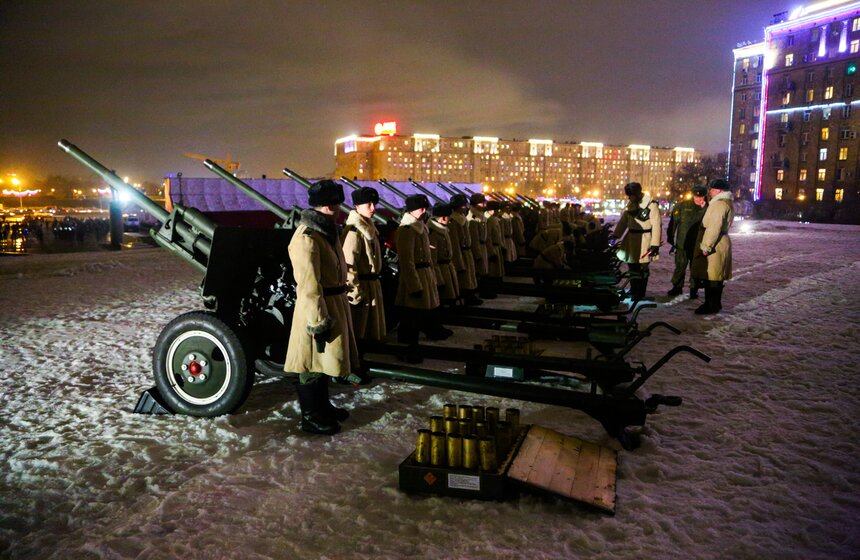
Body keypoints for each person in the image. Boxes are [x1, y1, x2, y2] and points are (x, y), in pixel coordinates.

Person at [285, 179, 360, 435]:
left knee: (325, 362)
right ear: (328, 205)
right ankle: (311, 416)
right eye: (336, 203)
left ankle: (323, 407)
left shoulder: (326, 232)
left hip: (333, 302)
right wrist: (318, 320)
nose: (339, 208)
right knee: (310, 365)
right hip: (317, 307)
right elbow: (308, 285)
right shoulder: (307, 238)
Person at [395, 194, 448, 353]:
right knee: (411, 314)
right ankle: (409, 346)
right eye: (420, 208)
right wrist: (414, 285)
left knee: (422, 311)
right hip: (416, 275)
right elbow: (407, 260)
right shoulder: (406, 230)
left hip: (425, 273)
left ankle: (420, 336)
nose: (424, 211)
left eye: (425, 208)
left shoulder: (420, 227)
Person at [341, 186, 386, 341]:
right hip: (363, 288)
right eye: (369, 205)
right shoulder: (354, 232)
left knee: (369, 332)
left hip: (371, 285)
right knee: (359, 332)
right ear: (357, 206)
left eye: (374, 204)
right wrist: (356, 293)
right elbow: (348, 265)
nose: (373, 208)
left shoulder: (369, 229)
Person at [612, 182, 662, 300]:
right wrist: (615, 235)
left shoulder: (651, 205)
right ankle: (634, 289)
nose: (629, 197)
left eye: (631, 195)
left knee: (642, 268)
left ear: (638, 193)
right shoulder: (631, 204)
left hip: (644, 240)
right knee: (632, 266)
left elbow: (656, 225)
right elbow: (624, 221)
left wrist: (655, 244)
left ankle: (640, 292)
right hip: (631, 239)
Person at [692, 178, 735, 315]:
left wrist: (706, 246)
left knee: (712, 276)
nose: (709, 191)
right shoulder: (723, 203)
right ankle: (714, 303)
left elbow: (714, 227)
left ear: (720, 191)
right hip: (719, 242)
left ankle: (711, 304)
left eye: (712, 189)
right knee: (715, 275)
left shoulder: (719, 205)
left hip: (715, 244)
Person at [667, 185, 708, 298]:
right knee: (680, 266)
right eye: (696, 196)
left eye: (701, 197)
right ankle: (677, 287)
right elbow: (674, 222)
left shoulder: (709, 208)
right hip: (682, 242)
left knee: (695, 268)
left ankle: (693, 290)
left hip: (698, 244)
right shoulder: (682, 206)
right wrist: (670, 236)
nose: (698, 199)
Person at [448, 193, 481, 305]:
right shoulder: (453, 222)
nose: (465, 207)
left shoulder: (461, 219)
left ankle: (470, 295)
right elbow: (455, 243)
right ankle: (466, 297)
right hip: (461, 252)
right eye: (463, 206)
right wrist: (459, 261)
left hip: (466, 251)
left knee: (470, 276)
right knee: (464, 278)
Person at [428, 202, 460, 306]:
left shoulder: (442, 230)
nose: (450, 220)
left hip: (447, 268)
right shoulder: (433, 233)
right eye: (449, 217)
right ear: (443, 218)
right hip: (441, 270)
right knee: (444, 298)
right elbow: (433, 259)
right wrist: (438, 278)